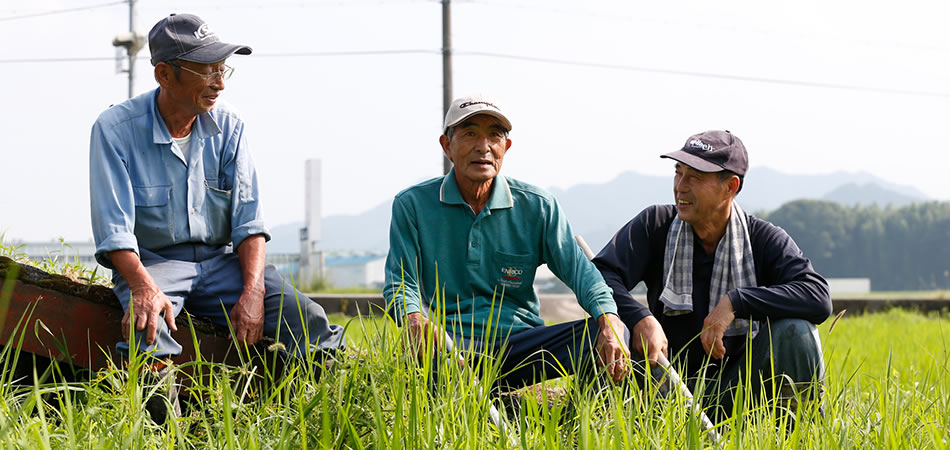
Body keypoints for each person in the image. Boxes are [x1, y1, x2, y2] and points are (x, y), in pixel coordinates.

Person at [89, 13, 344, 421]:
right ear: (164, 74)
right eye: (206, 71)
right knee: (148, 328)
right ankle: (161, 437)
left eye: (222, 70)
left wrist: (253, 292)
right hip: (153, 265)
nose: (220, 83)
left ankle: (322, 420)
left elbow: (248, 221)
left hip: (220, 262)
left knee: (307, 317)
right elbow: (114, 229)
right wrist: (144, 288)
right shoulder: (115, 130)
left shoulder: (230, 126)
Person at [383, 94, 630, 391]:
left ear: (506, 147)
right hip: (450, 345)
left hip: (521, 346)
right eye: (470, 133)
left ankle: (577, 425)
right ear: (447, 146)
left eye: (494, 136)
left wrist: (609, 316)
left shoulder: (537, 205)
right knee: (419, 356)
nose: (483, 147)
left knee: (607, 336)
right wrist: (414, 319)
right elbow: (400, 281)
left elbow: (581, 272)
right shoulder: (413, 205)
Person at [593, 130, 832, 419]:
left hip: (744, 391)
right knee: (607, 324)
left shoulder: (763, 239)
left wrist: (736, 302)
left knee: (798, 330)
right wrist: (639, 317)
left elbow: (817, 297)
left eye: (694, 177)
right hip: (667, 388)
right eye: (678, 173)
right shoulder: (655, 225)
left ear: (730, 187)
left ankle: (795, 430)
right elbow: (601, 273)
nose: (680, 186)